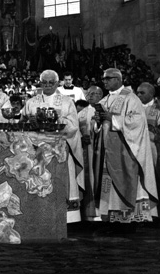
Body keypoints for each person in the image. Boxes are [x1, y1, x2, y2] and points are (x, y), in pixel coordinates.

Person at [93, 68, 158, 224]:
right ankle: (111, 219)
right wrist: (97, 120)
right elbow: (97, 126)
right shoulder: (105, 100)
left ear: (118, 79)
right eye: (103, 79)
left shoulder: (131, 98)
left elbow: (137, 122)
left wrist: (113, 119)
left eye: (108, 78)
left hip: (125, 149)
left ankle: (128, 220)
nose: (105, 81)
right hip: (108, 150)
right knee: (107, 185)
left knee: (126, 180)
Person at [21, 69, 84, 223]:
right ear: (40, 83)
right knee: (38, 181)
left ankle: (67, 218)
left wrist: (56, 120)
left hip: (59, 149)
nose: (48, 85)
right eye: (44, 82)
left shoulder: (66, 101)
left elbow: (73, 126)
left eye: (51, 82)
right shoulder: (32, 102)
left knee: (60, 181)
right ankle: (39, 215)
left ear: (57, 83)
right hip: (37, 151)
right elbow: (22, 124)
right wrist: (30, 122)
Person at [78, 85, 104, 221]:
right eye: (88, 93)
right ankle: (88, 212)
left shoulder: (105, 109)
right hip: (86, 151)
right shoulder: (81, 113)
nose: (90, 96)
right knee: (88, 179)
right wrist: (81, 138)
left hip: (102, 152)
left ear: (101, 95)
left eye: (94, 93)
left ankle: (101, 212)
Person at [136, 82, 160, 195]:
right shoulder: (134, 107)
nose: (139, 95)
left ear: (151, 93)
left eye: (142, 93)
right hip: (136, 148)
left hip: (153, 149)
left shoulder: (158, 108)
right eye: (137, 93)